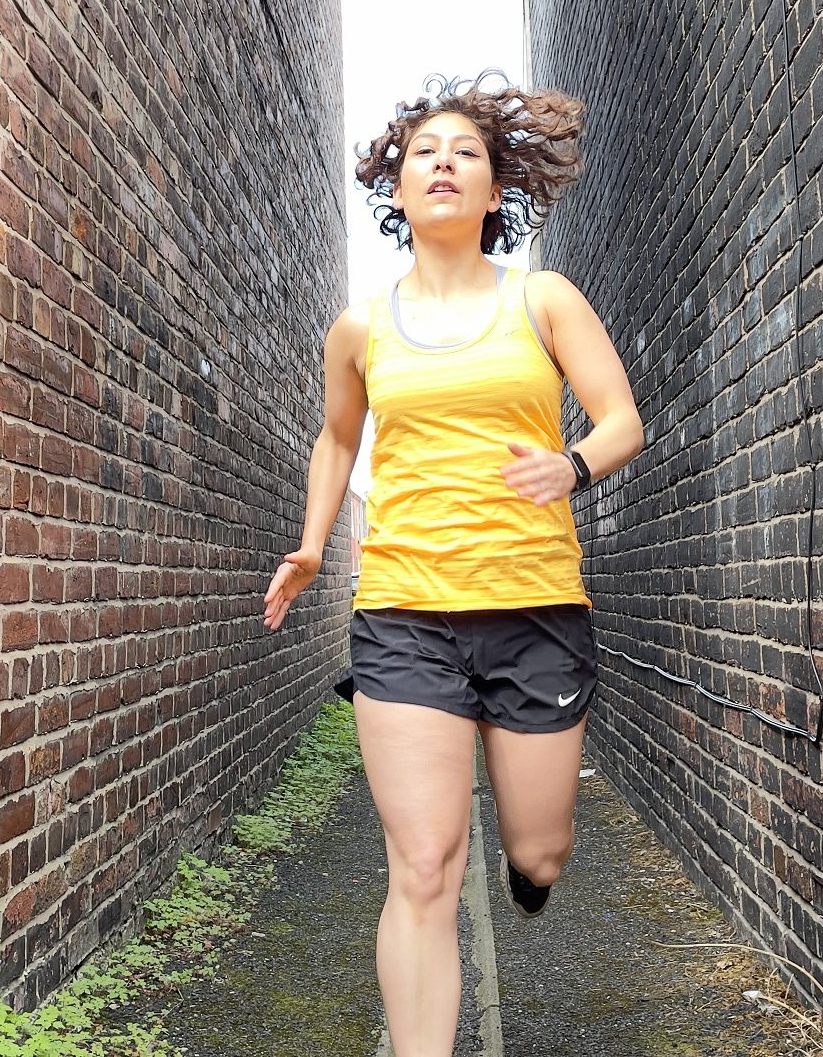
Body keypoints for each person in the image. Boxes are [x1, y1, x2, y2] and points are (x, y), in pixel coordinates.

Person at [261, 71, 643, 1055]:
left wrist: (572, 464)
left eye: (465, 151)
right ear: (396, 190)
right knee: (423, 866)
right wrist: (311, 542)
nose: (442, 161)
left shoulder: (544, 299)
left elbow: (621, 420)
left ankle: (533, 871)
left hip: (535, 611)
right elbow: (338, 441)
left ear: (493, 191)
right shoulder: (362, 329)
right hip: (405, 617)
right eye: (423, 150)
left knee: (539, 849)